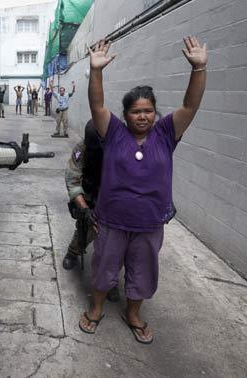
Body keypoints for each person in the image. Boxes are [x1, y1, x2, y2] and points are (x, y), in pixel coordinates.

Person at [78, 36, 207, 344]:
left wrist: (199, 68)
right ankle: (96, 309)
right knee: (104, 266)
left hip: (149, 222)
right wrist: (96, 71)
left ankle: (133, 313)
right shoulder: (114, 134)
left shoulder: (166, 134)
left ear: (154, 113)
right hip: (112, 220)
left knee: (143, 270)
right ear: (126, 115)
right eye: (136, 111)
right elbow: (97, 104)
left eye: (148, 110)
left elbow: (190, 105)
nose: (143, 116)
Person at [64, 120, 120, 302]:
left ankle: (110, 282)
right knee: (85, 231)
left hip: (113, 200)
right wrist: (84, 208)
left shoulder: (120, 147)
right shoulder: (81, 149)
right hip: (89, 195)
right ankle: (73, 252)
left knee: (113, 245)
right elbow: (72, 180)